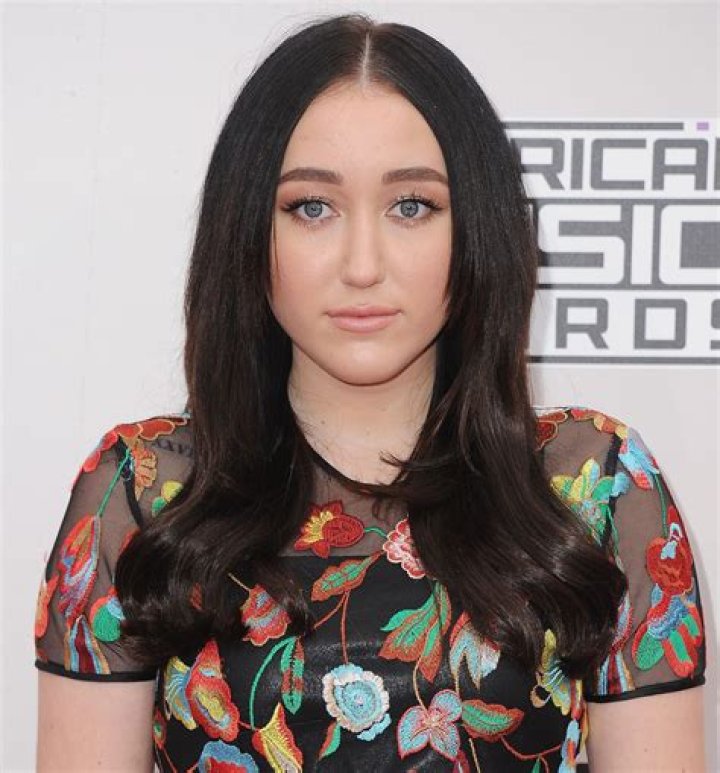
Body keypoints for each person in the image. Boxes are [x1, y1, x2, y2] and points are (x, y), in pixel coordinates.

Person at [34, 13, 707, 772]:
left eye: (411, 206)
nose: (362, 265)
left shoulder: (594, 487)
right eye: (312, 207)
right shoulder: (142, 491)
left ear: (476, 228)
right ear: (248, 230)